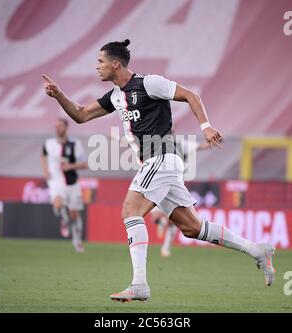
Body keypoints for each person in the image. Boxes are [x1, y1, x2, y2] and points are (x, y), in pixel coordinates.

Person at [42, 39, 275, 303]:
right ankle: (257, 250)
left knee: (130, 210)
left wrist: (206, 127)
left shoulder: (149, 83)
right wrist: (59, 95)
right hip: (158, 164)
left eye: (100, 61)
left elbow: (190, 95)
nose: (97, 67)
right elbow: (81, 115)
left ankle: (139, 284)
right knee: (192, 228)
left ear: (115, 64)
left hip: (161, 157)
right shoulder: (116, 96)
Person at [152, 140, 212, 257]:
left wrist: (211, 142)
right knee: (156, 217)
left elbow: (199, 146)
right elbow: (134, 140)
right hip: (159, 185)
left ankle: (165, 247)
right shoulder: (154, 143)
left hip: (174, 186)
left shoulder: (180, 145)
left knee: (174, 220)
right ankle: (162, 222)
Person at [41, 118, 87, 253]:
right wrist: (45, 170)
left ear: (66, 128)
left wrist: (71, 166)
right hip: (55, 181)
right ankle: (64, 219)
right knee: (57, 203)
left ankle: (77, 241)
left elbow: (84, 164)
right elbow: (43, 156)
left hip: (72, 182)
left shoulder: (75, 144)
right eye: (56, 126)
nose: (57, 128)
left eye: (60, 126)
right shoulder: (49, 143)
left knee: (74, 214)